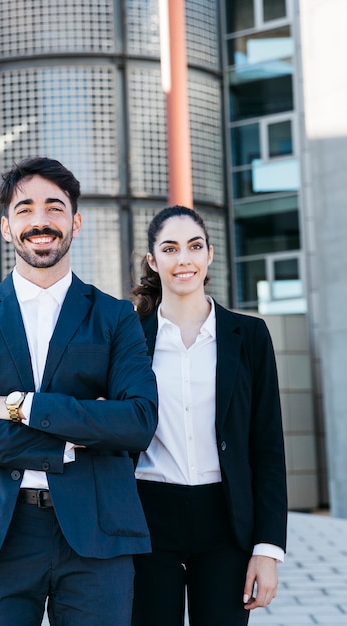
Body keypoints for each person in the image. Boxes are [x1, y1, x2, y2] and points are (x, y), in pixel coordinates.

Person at [0, 156, 158, 626]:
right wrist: (72, 437)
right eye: (25, 209)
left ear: (75, 221)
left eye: (54, 208)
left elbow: (137, 422)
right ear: (6, 227)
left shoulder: (116, 318)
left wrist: (19, 407)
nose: (40, 221)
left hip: (98, 535)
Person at [130, 205, 288, 626]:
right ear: (153, 260)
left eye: (194, 246)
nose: (184, 259)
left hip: (226, 521)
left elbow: (267, 446)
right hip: (148, 516)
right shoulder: (128, 336)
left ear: (210, 254)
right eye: (170, 248)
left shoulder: (249, 336)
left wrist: (267, 549)